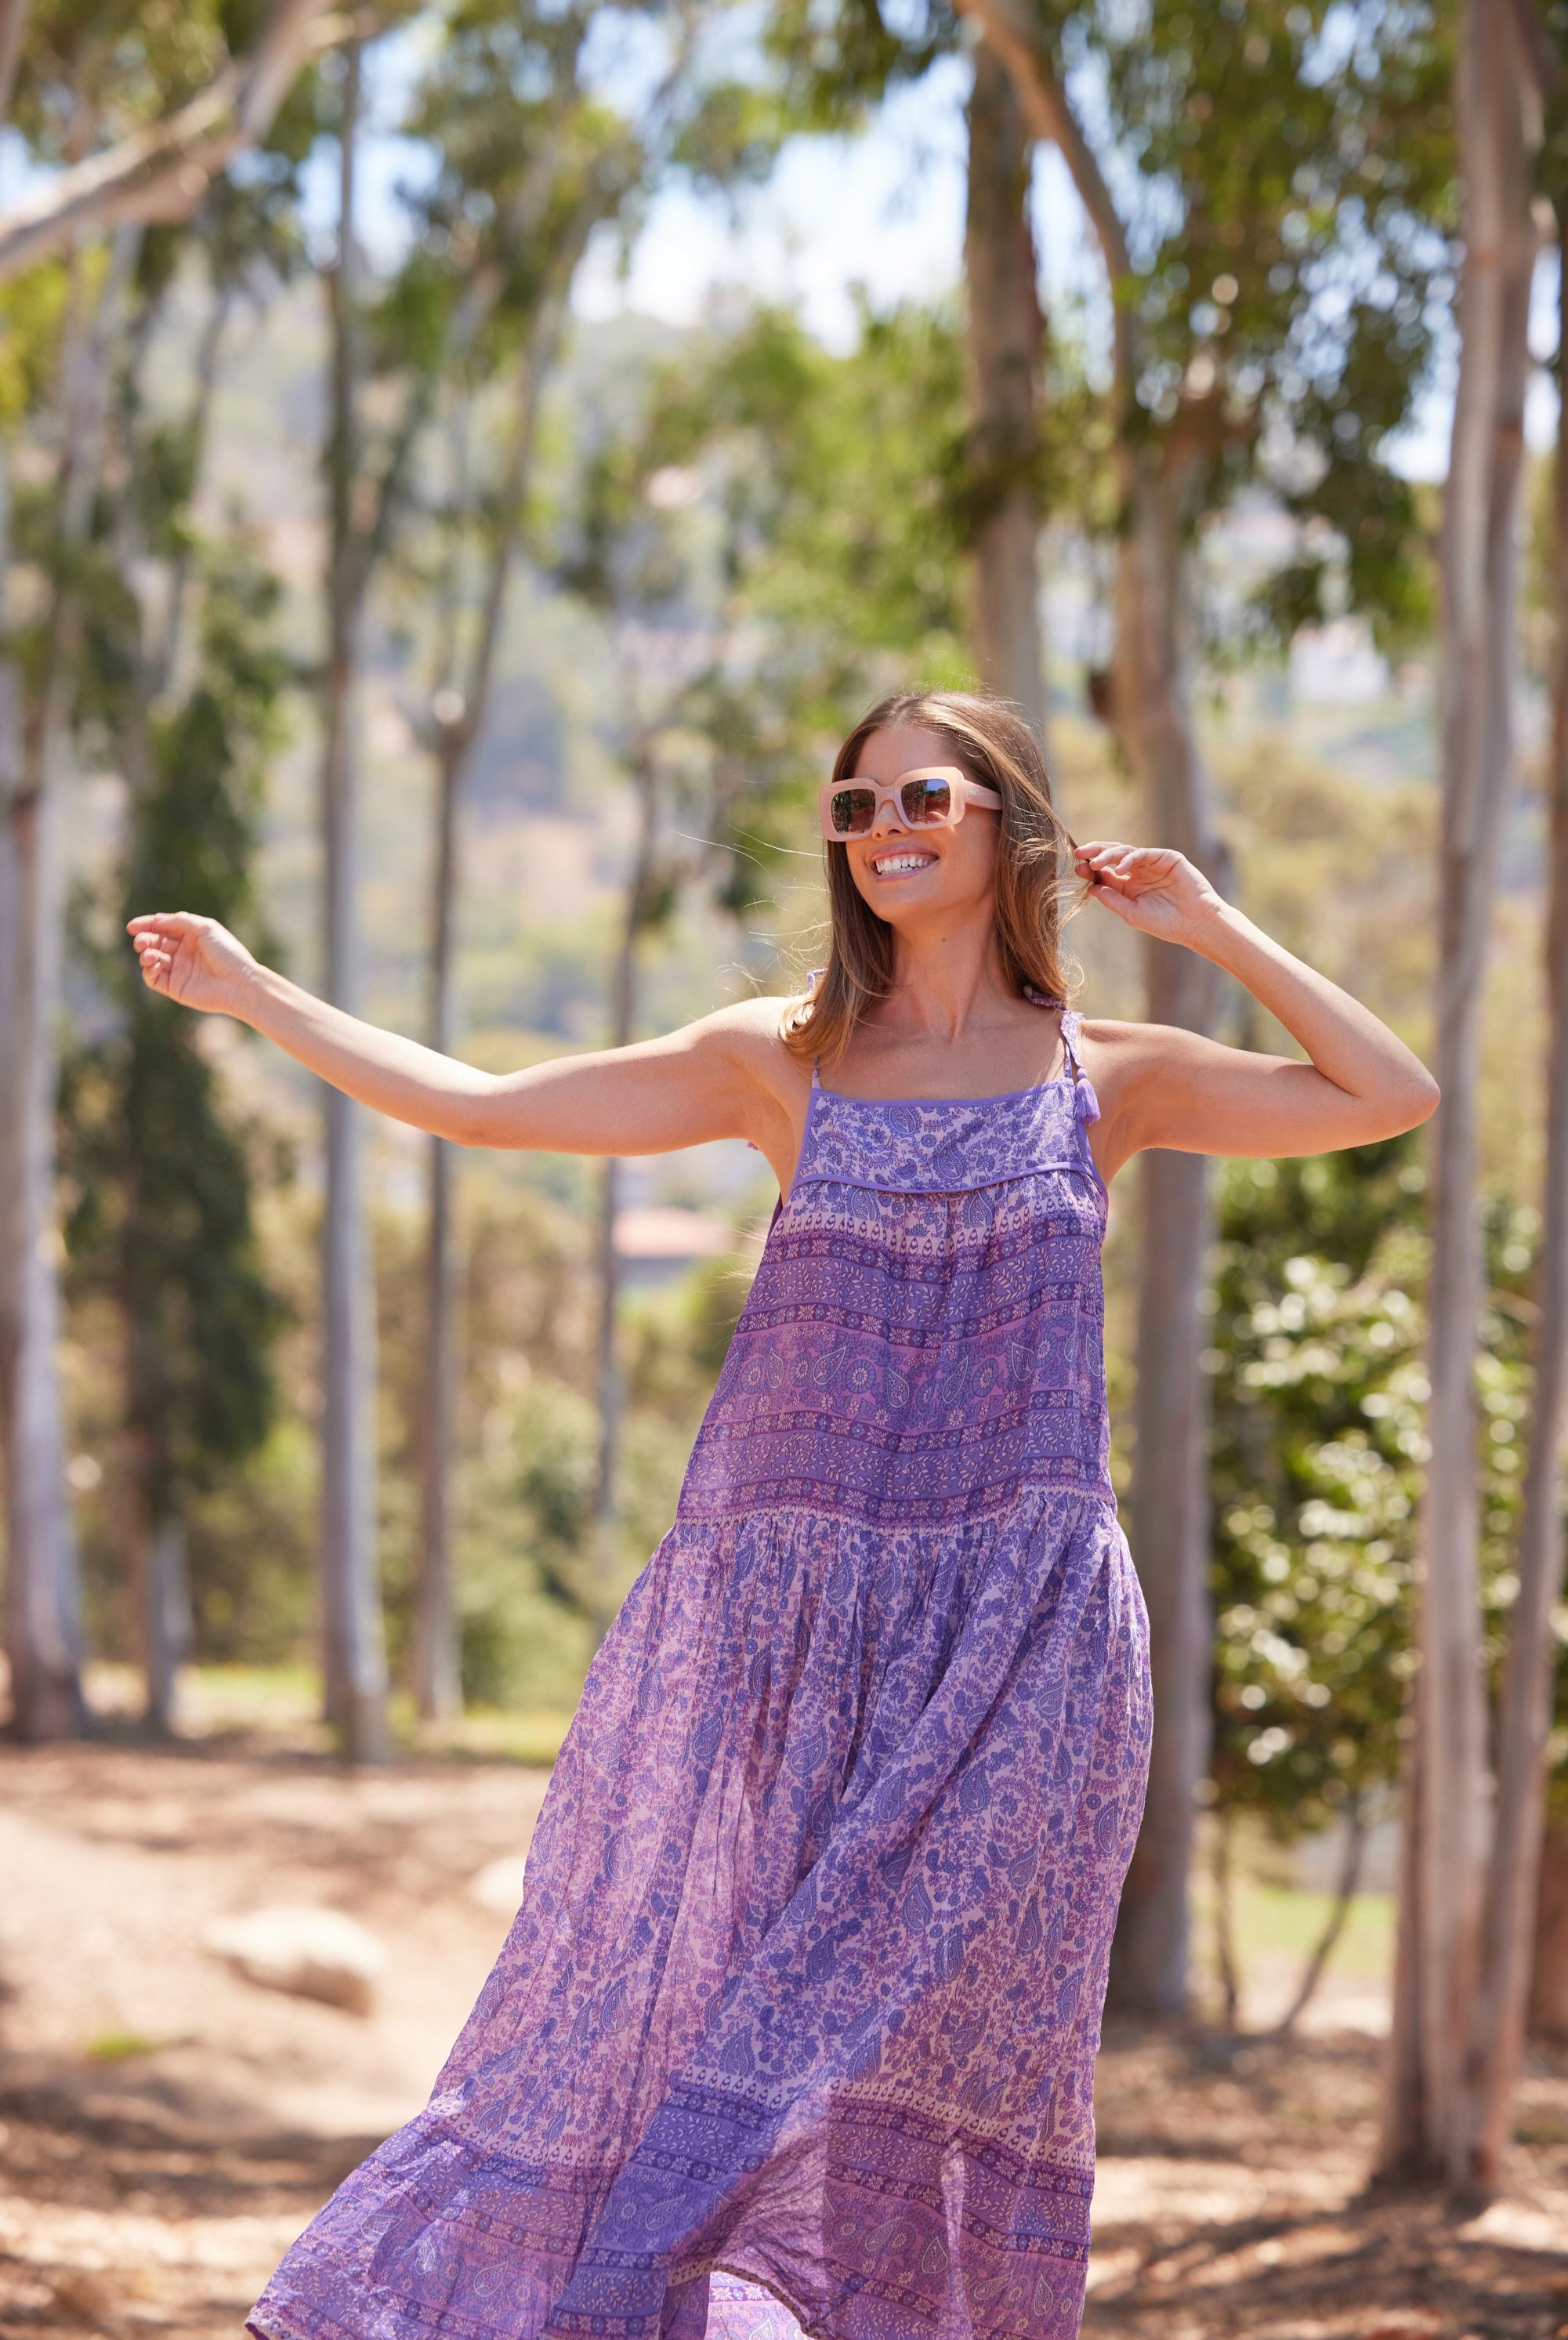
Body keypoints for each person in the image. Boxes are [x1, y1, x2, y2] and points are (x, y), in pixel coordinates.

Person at [129, 688, 1436, 2340]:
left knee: (890, 2041)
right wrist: (254, 994)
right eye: (853, 806)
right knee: (703, 2036)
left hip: (1018, 1639)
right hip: (781, 1638)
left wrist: (1208, 923)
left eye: (922, 797)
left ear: (1006, 820)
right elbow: (477, 1101)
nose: (882, 827)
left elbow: (1383, 1090)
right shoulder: (780, 1059)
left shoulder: (1109, 1074)